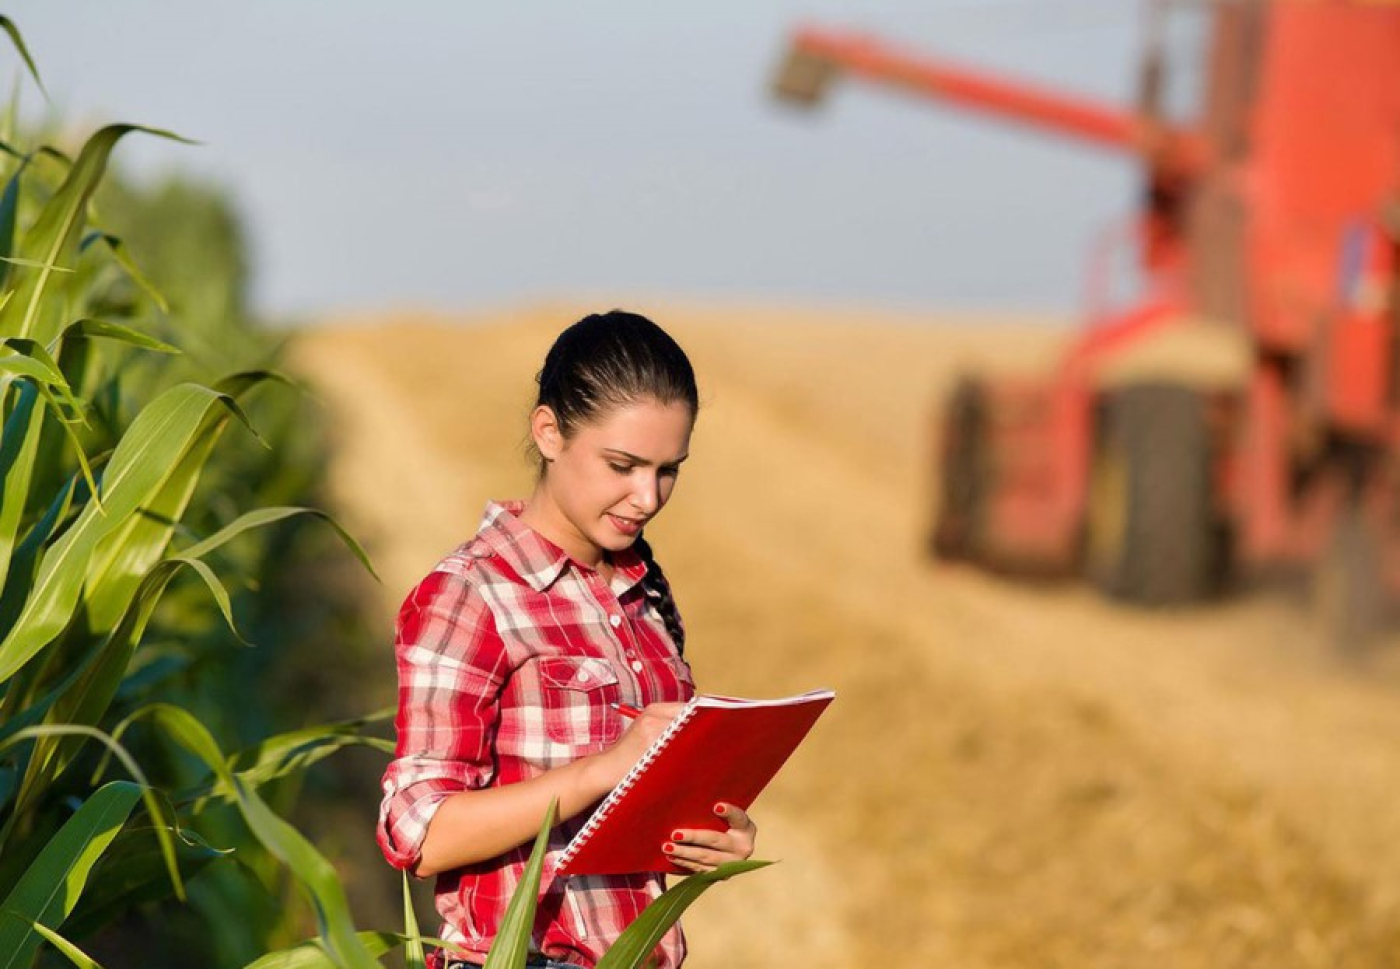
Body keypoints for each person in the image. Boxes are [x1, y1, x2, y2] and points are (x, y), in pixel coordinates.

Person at [376, 311, 758, 969]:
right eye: (622, 465)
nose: (647, 497)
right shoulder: (472, 593)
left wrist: (714, 836)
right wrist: (601, 768)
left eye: (668, 470)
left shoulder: (645, 593)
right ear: (548, 432)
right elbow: (420, 832)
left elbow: (634, 821)